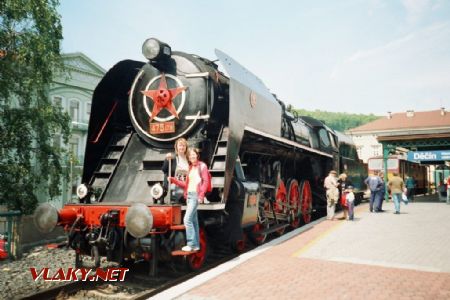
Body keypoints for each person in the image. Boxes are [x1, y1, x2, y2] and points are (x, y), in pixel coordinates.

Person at [169, 148, 210, 252]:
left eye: (194, 155)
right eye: (190, 155)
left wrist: (201, 195)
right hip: (189, 196)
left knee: (187, 220)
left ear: (197, 155)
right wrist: (174, 180)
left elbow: (205, 181)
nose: (192, 157)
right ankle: (196, 245)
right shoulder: (190, 168)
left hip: (196, 196)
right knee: (194, 221)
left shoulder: (202, 166)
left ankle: (191, 244)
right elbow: (186, 185)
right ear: (189, 157)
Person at [162, 138, 189, 204]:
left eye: (183, 145)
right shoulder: (173, 158)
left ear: (186, 147)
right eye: (180, 145)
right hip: (175, 188)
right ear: (176, 147)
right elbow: (164, 170)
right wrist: (166, 159)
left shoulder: (189, 159)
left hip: (186, 187)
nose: (182, 147)